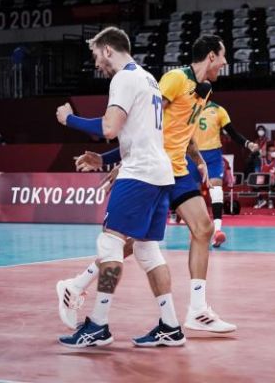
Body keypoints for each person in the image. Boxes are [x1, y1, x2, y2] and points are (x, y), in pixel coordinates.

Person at [56, 35, 236, 336]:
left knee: (199, 230)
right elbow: (146, 124)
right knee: (130, 243)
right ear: (211, 56)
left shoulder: (203, 90)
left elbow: (181, 128)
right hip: (153, 166)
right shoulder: (175, 79)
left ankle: (197, 310)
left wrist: (198, 158)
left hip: (174, 168)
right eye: (223, 56)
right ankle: (78, 287)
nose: (226, 63)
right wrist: (118, 161)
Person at [54, 27, 184, 348]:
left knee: (110, 246)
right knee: (146, 250)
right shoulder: (148, 78)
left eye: (96, 54)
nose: (96, 62)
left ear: (108, 50)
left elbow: (109, 127)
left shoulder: (123, 78)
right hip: (158, 172)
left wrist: (69, 119)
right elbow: (136, 134)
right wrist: (104, 158)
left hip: (139, 174)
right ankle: (171, 325)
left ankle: (98, 324)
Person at [186, 102, 259, 247]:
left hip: (213, 155)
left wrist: (248, 144)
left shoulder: (218, 110)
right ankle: (196, 229)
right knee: (192, 194)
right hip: (193, 154)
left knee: (216, 191)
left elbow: (232, 133)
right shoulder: (187, 107)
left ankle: (217, 231)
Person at [255, 140, 275, 208]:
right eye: (272, 151)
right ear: (267, 152)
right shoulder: (261, 160)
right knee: (254, 181)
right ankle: (261, 200)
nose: (274, 152)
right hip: (262, 182)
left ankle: (270, 201)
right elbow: (256, 173)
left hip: (274, 182)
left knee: (272, 180)